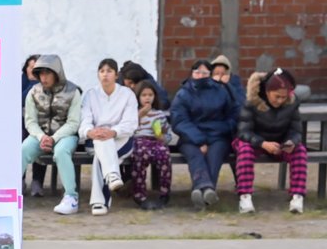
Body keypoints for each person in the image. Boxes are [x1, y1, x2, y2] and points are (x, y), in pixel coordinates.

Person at [235, 67, 307, 214]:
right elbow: (243, 131)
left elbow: (296, 130)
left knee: (300, 151)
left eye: (284, 97)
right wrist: (262, 143)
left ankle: (297, 196)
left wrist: (291, 142)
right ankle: (245, 196)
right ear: (267, 92)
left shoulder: (292, 104)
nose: (280, 100)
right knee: (245, 151)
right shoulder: (251, 102)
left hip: (280, 143)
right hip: (254, 141)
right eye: (276, 96)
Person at [170, 58, 237, 211]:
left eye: (204, 72)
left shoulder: (222, 90)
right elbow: (179, 120)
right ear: (192, 73)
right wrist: (199, 140)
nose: (200, 75)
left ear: (210, 74)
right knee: (195, 156)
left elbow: (234, 114)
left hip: (218, 135)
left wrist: (222, 130)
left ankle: (202, 191)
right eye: (197, 72)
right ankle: (207, 189)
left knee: (215, 156)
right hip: (190, 138)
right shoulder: (183, 93)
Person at [22, 54, 84, 215]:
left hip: (66, 136)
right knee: (23, 150)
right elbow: (30, 121)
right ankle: (11, 195)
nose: (43, 77)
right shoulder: (33, 92)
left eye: (47, 73)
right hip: (39, 136)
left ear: (57, 73)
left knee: (61, 152)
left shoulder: (73, 92)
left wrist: (54, 138)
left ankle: (71, 197)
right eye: (40, 73)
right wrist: (42, 137)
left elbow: (73, 122)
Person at [78, 58, 138, 215]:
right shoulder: (90, 95)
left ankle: (99, 202)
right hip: (95, 139)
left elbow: (131, 123)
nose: (105, 75)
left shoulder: (127, 94)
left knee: (101, 155)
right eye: (102, 71)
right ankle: (112, 176)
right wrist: (90, 132)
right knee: (101, 145)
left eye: (109, 71)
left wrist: (113, 132)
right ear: (98, 74)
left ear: (116, 75)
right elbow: (84, 121)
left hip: (121, 139)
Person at [129, 81, 173, 209]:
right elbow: (128, 128)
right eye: (144, 95)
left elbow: (167, 133)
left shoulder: (159, 114)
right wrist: (139, 115)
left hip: (155, 141)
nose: (147, 98)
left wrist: (163, 138)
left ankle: (164, 193)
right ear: (138, 97)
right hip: (139, 140)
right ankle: (139, 195)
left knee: (164, 154)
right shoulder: (133, 113)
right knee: (140, 155)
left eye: (150, 95)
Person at [21, 54, 48, 196]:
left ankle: (37, 182)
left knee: (41, 138)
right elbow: (21, 99)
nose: (32, 70)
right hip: (21, 122)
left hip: (41, 122)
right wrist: (33, 85)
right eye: (30, 67)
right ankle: (20, 179)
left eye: (36, 68)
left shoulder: (46, 83)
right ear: (26, 68)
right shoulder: (20, 81)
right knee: (21, 138)